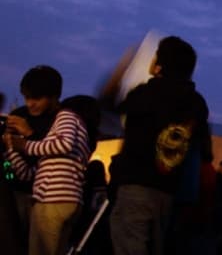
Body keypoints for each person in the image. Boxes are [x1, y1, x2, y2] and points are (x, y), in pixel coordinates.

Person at [108, 35, 211, 255]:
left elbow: (108, 107)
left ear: (160, 65)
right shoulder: (196, 103)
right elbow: (204, 150)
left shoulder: (145, 94)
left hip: (136, 187)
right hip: (171, 193)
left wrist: (121, 70)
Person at [3, 67, 92, 255]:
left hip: (54, 201)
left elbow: (64, 144)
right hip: (51, 201)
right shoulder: (53, 147)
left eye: (36, 98)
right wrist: (11, 147)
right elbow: (28, 174)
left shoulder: (66, 116)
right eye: (27, 98)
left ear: (54, 96)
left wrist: (26, 143)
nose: (30, 104)